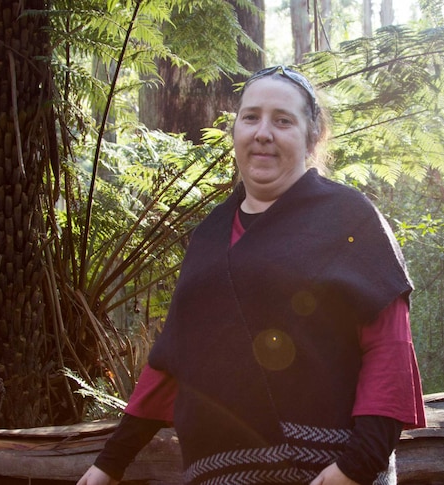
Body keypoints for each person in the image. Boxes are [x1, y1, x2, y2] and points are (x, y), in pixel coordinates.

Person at [77, 65, 425, 485]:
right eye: (251, 117)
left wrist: (356, 466)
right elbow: (173, 359)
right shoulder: (208, 235)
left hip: (326, 472)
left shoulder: (349, 218)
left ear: (311, 136)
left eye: (283, 120)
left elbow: (389, 347)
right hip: (217, 474)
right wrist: (109, 463)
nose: (263, 132)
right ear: (236, 130)